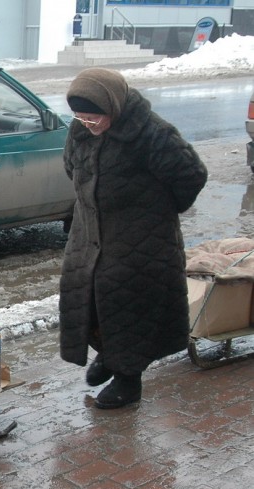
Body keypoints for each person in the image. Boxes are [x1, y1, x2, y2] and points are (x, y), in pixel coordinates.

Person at [59, 68, 208, 409]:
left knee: (127, 305)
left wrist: (156, 211)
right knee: (85, 300)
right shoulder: (80, 131)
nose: (88, 124)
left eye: (94, 118)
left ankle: (128, 381)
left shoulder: (152, 133)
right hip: (89, 235)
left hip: (141, 242)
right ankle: (110, 355)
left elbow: (192, 175)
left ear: (113, 108)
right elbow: (72, 168)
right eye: (81, 118)